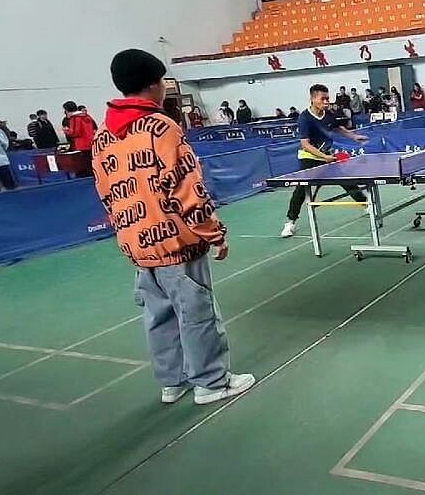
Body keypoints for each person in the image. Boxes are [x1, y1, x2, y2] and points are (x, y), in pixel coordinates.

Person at [91, 50, 255, 405]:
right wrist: (214, 233)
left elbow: (106, 193)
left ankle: (173, 382)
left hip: (138, 245)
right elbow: (187, 190)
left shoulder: (103, 136)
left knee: (159, 317)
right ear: (154, 84)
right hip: (177, 244)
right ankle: (212, 382)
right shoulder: (162, 127)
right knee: (197, 314)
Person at [281, 84, 369, 238]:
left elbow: (338, 128)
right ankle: (290, 222)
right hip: (309, 157)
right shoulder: (305, 118)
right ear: (313, 99)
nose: (326, 102)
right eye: (323, 99)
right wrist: (324, 157)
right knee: (301, 189)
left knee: (345, 180)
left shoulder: (327, 114)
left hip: (326, 155)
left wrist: (354, 136)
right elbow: (305, 144)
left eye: (327, 98)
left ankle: (366, 204)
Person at [63, 102, 97, 175]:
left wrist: (66, 131)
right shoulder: (87, 116)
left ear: (67, 110)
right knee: (91, 163)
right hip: (90, 142)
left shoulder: (75, 118)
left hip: (81, 145)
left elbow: (76, 133)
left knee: (83, 165)